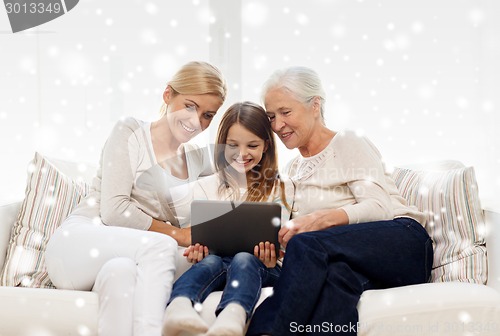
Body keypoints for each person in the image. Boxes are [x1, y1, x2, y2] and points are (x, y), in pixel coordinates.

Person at [246, 66, 433, 336]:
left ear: (315, 105)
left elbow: (379, 207)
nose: (277, 125)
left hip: (403, 244)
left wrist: (316, 221)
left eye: (285, 112)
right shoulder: (294, 169)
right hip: (355, 261)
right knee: (335, 279)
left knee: (308, 243)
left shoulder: (346, 142)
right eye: (272, 116)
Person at [44, 61, 227, 336]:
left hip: (117, 258)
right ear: (168, 95)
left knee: (121, 274)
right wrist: (179, 234)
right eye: (190, 106)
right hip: (78, 244)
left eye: (207, 115)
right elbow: (115, 211)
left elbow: (245, 162)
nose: (196, 121)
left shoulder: (194, 163)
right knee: (162, 246)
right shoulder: (130, 131)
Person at [163, 102, 291, 336]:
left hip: (263, 267)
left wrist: (273, 257)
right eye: (233, 145)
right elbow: (195, 237)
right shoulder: (205, 186)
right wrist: (196, 251)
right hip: (216, 264)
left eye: (252, 145)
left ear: (266, 146)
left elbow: (282, 239)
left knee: (244, 258)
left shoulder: (281, 187)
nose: (242, 154)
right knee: (211, 261)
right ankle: (178, 308)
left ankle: (232, 318)